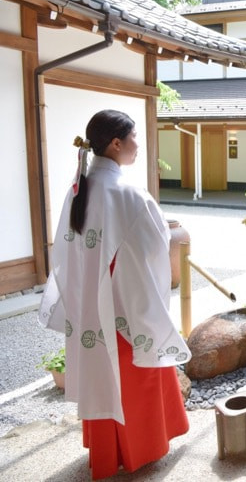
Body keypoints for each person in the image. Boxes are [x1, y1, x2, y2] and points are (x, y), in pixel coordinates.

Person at [38, 110, 191, 479]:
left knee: (101, 377)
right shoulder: (129, 195)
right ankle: (140, 450)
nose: (138, 144)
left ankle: (108, 451)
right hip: (124, 309)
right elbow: (152, 254)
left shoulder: (79, 190)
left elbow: (67, 253)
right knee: (134, 378)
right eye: (134, 136)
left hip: (90, 308)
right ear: (117, 143)